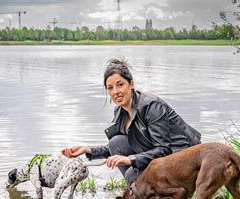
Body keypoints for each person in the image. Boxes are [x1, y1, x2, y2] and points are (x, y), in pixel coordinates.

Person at [61, 58, 201, 185]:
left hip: (185, 159)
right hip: (163, 159)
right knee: (116, 142)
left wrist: (131, 159)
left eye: (120, 84)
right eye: (110, 88)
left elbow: (164, 150)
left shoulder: (151, 106)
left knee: (131, 173)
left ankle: (143, 192)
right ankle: (139, 191)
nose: (115, 91)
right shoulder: (120, 112)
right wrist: (87, 149)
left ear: (131, 84)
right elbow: (114, 147)